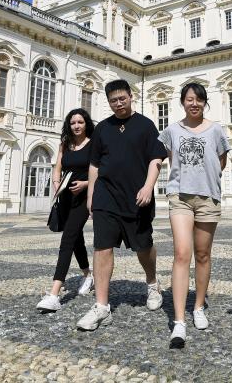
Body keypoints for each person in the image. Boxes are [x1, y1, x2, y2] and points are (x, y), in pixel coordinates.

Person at [76, 80, 167, 331]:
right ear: (108, 102)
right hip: (107, 197)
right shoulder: (103, 129)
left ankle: (152, 283)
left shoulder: (145, 125)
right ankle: (102, 307)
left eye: (122, 98)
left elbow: (156, 158)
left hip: (138, 197)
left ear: (130, 96)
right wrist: (92, 195)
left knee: (143, 246)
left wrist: (149, 186)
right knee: (102, 247)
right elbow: (94, 165)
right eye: (113, 100)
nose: (118, 104)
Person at [159, 83, 230, 348]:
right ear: (182, 102)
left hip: (208, 197)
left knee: (202, 254)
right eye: (189, 99)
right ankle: (179, 321)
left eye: (199, 99)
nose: (194, 103)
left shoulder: (216, 130)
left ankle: (198, 305)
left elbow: (221, 160)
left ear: (204, 102)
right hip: (179, 196)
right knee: (181, 253)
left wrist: (205, 176)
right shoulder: (172, 131)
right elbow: (164, 158)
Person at [36, 108, 95, 313]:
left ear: (86, 123)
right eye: (72, 123)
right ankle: (88, 275)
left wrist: (86, 184)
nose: (76, 126)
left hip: (83, 199)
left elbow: (102, 169)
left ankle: (54, 294)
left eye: (80, 122)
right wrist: (55, 183)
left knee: (67, 239)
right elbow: (58, 167)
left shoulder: (93, 144)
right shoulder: (65, 144)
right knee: (75, 236)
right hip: (65, 196)